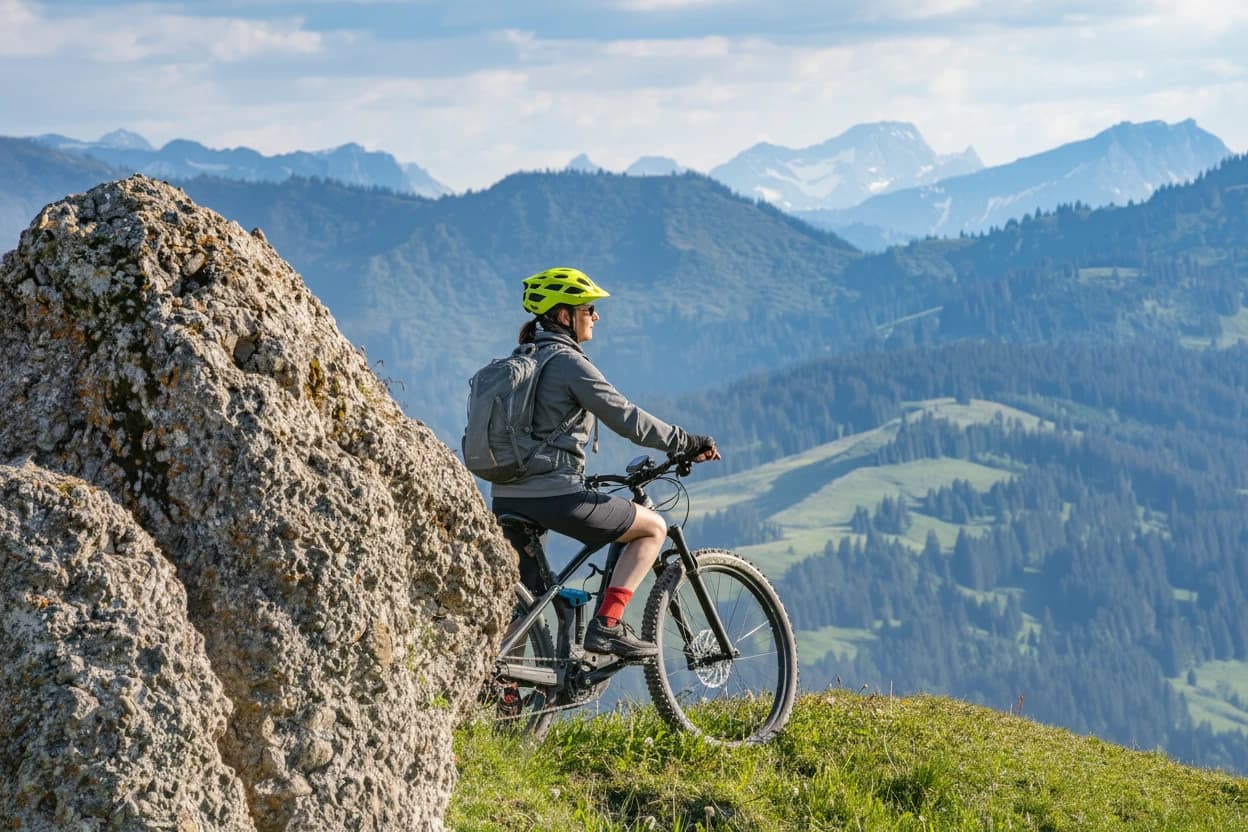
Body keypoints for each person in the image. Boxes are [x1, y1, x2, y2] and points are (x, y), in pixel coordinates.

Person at [491, 266, 720, 659]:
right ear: (564, 316)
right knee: (653, 528)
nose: (596, 316)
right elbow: (625, 416)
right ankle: (608, 624)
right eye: (589, 308)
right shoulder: (567, 363)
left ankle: (506, 695)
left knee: (526, 598)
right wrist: (686, 442)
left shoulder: (522, 360)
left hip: (507, 498)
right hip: (554, 496)